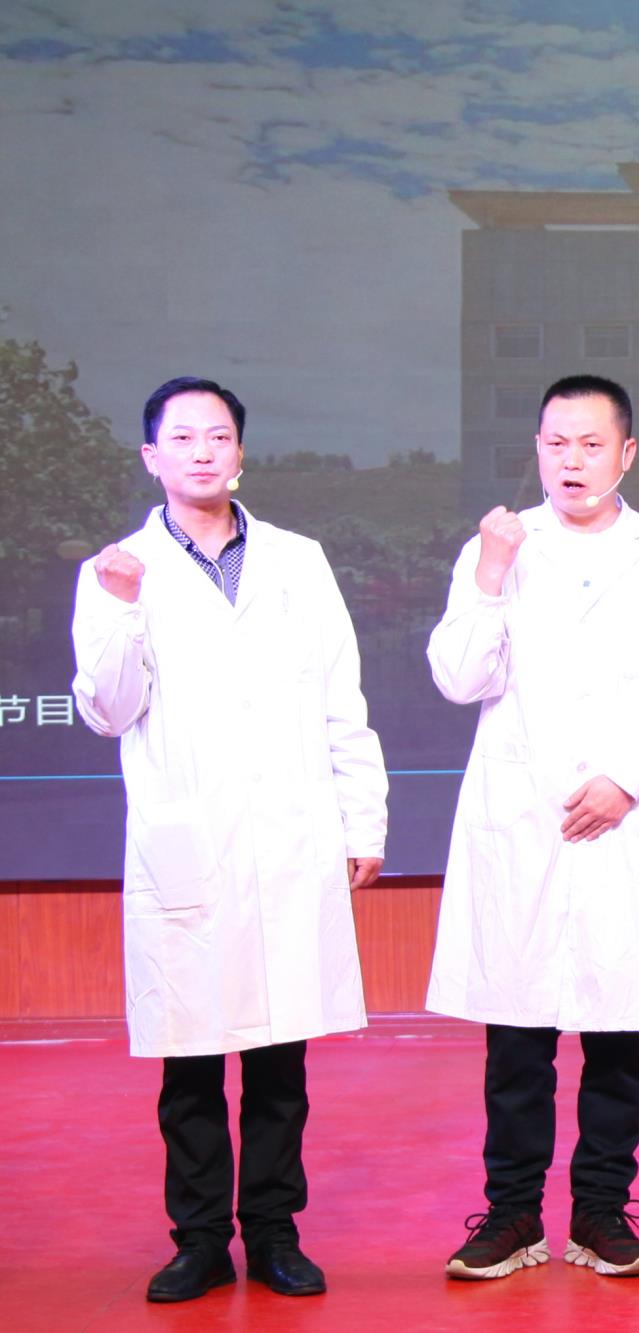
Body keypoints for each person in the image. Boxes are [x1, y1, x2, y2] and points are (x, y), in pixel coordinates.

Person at [71, 377, 387, 1303]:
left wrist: (362, 817)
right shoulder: (116, 569)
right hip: (189, 841)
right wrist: (122, 607)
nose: (202, 451)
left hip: (290, 833)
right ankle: (200, 1239)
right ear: (151, 457)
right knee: (192, 1061)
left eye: (218, 436)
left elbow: (341, 697)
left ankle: (276, 1234)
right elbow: (108, 709)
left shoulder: (298, 560)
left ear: (240, 453)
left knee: (282, 1057)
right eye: (182, 437)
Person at [427, 374, 639, 1281]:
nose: (572, 461)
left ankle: (600, 1214)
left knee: (619, 1037)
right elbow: (458, 678)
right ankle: (512, 1214)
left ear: (626, 453)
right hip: (526, 821)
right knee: (517, 1040)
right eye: (557, 443)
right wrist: (488, 575)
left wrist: (627, 781)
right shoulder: (500, 546)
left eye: (592, 444)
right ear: (537, 449)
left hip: (630, 817)